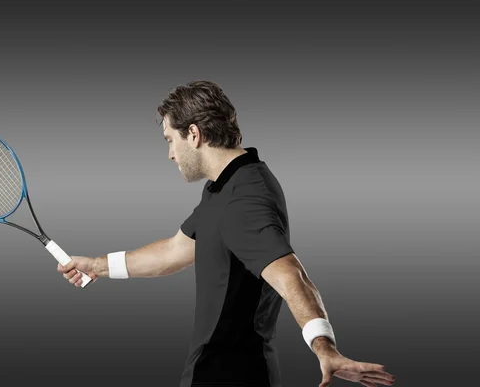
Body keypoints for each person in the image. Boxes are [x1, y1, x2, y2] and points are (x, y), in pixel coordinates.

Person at [58, 81, 396, 387]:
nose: (170, 154)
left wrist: (324, 346)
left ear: (194, 134)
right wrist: (96, 266)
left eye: (170, 141)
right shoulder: (226, 185)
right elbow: (174, 252)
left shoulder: (243, 198)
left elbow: (291, 274)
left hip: (227, 373)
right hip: (227, 369)